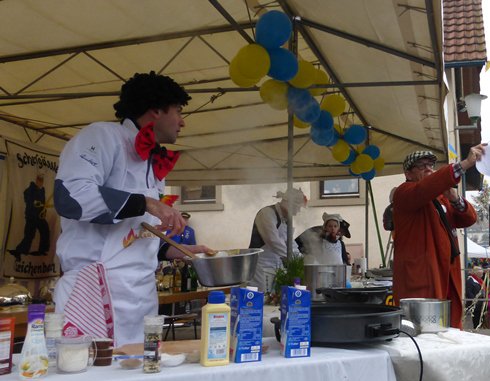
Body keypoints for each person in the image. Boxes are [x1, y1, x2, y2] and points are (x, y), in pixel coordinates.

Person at [53, 72, 212, 346]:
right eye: (178, 111)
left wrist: (172, 250)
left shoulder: (154, 163)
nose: (182, 122)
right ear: (156, 110)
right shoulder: (102, 135)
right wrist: (147, 202)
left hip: (141, 296)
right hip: (95, 289)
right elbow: (71, 197)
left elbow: (136, 231)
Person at [392, 144, 484, 328]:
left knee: (447, 327)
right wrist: (464, 164)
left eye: (430, 165)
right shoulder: (404, 192)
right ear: (408, 174)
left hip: (446, 273)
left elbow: (469, 218)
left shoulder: (440, 198)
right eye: (421, 166)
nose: (428, 169)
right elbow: (425, 188)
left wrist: (455, 199)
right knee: (424, 330)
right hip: (424, 275)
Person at [248, 188, 306, 292]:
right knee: (262, 297)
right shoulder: (267, 213)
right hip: (261, 266)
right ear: (288, 203)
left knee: (275, 299)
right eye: (297, 207)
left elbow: (290, 243)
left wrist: (303, 260)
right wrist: (293, 259)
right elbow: (273, 241)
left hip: (277, 266)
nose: (297, 211)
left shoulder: (286, 219)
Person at [8, 173, 50, 260]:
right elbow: (27, 197)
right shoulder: (30, 189)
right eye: (39, 181)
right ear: (36, 180)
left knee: (45, 231)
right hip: (31, 216)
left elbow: (43, 202)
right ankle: (19, 251)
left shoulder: (42, 190)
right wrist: (34, 202)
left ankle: (42, 250)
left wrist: (43, 209)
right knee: (29, 235)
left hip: (39, 216)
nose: (41, 183)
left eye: (42, 181)